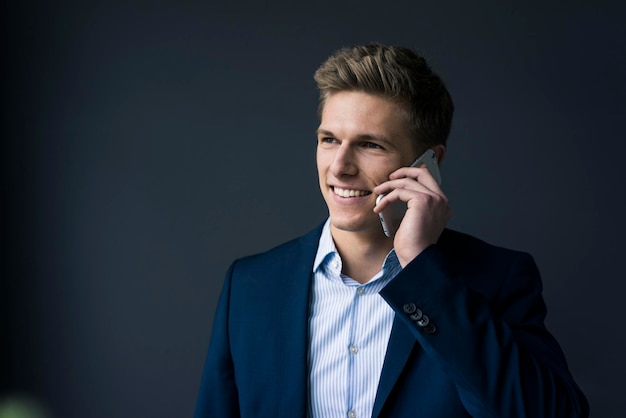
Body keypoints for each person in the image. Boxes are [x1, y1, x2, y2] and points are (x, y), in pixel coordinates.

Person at [194, 43, 589, 417]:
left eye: (371, 145)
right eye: (329, 139)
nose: (340, 166)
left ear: (427, 163)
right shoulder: (250, 285)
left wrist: (421, 270)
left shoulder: (497, 279)